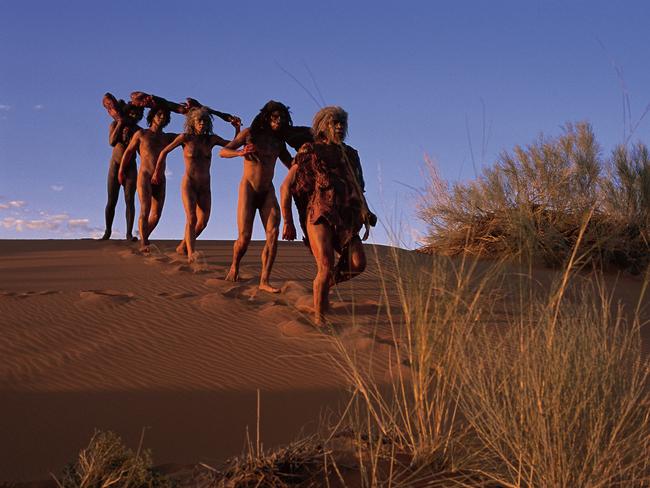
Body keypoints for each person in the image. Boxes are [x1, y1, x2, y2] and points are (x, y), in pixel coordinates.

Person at [280, 106, 376, 325]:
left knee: (358, 264)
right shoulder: (309, 150)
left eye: (342, 123)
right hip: (319, 212)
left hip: (346, 216)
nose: (340, 127)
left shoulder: (351, 154)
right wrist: (288, 221)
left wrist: (366, 211)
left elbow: (357, 187)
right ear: (323, 126)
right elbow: (286, 186)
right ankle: (319, 321)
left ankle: (322, 289)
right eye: (334, 123)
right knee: (325, 265)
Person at [219, 101, 294, 293]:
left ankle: (264, 280)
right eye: (275, 117)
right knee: (244, 238)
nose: (279, 121)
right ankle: (235, 265)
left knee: (273, 232)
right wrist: (240, 152)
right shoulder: (249, 134)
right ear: (267, 118)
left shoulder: (279, 142)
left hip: (267, 190)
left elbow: (291, 164)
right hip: (248, 189)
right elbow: (222, 151)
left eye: (282, 118)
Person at [152, 107, 238, 262]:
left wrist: (237, 129)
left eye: (205, 121)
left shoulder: (211, 139)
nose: (202, 123)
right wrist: (157, 171)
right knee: (191, 218)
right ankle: (191, 253)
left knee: (203, 222)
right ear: (192, 122)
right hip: (189, 183)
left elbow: (233, 145)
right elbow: (164, 152)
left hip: (205, 186)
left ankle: (183, 246)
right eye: (199, 120)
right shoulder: (185, 138)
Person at [118, 107, 176, 252]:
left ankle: (144, 237)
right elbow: (129, 152)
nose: (162, 117)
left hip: (160, 178)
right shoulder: (141, 134)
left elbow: (188, 137)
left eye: (165, 115)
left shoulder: (167, 137)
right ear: (152, 116)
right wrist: (121, 170)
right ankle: (144, 244)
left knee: (156, 215)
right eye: (159, 114)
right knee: (145, 209)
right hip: (145, 175)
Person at [101, 94, 143, 241]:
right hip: (115, 165)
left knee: (129, 200)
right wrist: (120, 123)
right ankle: (107, 232)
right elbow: (112, 142)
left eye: (137, 114)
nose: (134, 115)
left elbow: (142, 151)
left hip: (130, 166)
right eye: (132, 113)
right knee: (112, 200)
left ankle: (129, 234)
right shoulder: (115, 124)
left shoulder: (138, 131)